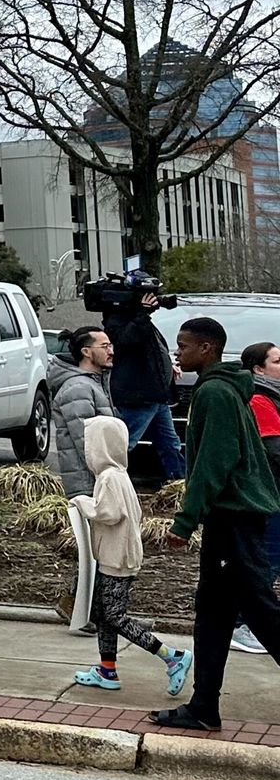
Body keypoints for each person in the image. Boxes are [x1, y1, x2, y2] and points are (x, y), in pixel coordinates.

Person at [150, 316, 280, 731]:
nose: (178, 352)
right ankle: (204, 706)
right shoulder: (225, 389)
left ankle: (204, 705)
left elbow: (214, 461)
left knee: (262, 614)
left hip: (235, 519)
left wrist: (185, 521)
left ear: (207, 349)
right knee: (213, 615)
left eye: (184, 346)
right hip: (233, 518)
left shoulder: (216, 392)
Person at [67, 415, 194, 695]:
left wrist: (82, 502)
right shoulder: (117, 475)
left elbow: (108, 514)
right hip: (117, 556)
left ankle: (171, 657)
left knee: (114, 616)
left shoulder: (110, 478)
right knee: (102, 614)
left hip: (116, 560)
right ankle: (107, 669)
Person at [104, 271, 186, 480]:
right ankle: (107, 485)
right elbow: (124, 342)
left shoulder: (142, 321)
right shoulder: (118, 318)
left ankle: (179, 485)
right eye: (147, 294)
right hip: (138, 396)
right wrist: (142, 313)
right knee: (124, 444)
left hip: (157, 396)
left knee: (171, 444)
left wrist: (168, 366)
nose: (153, 298)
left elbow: (153, 351)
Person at [239, 341, 280, 655]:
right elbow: (272, 449)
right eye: (278, 361)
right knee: (268, 558)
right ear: (258, 368)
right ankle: (244, 625)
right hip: (272, 494)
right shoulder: (259, 398)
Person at [49, 326, 117, 501]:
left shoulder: (94, 383)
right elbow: (86, 441)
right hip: (89, 485)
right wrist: (107, 476)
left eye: (111, 346)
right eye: (105, 347)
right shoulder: (78, 388)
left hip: (99, 481)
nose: (111, 352)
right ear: (86, 352)